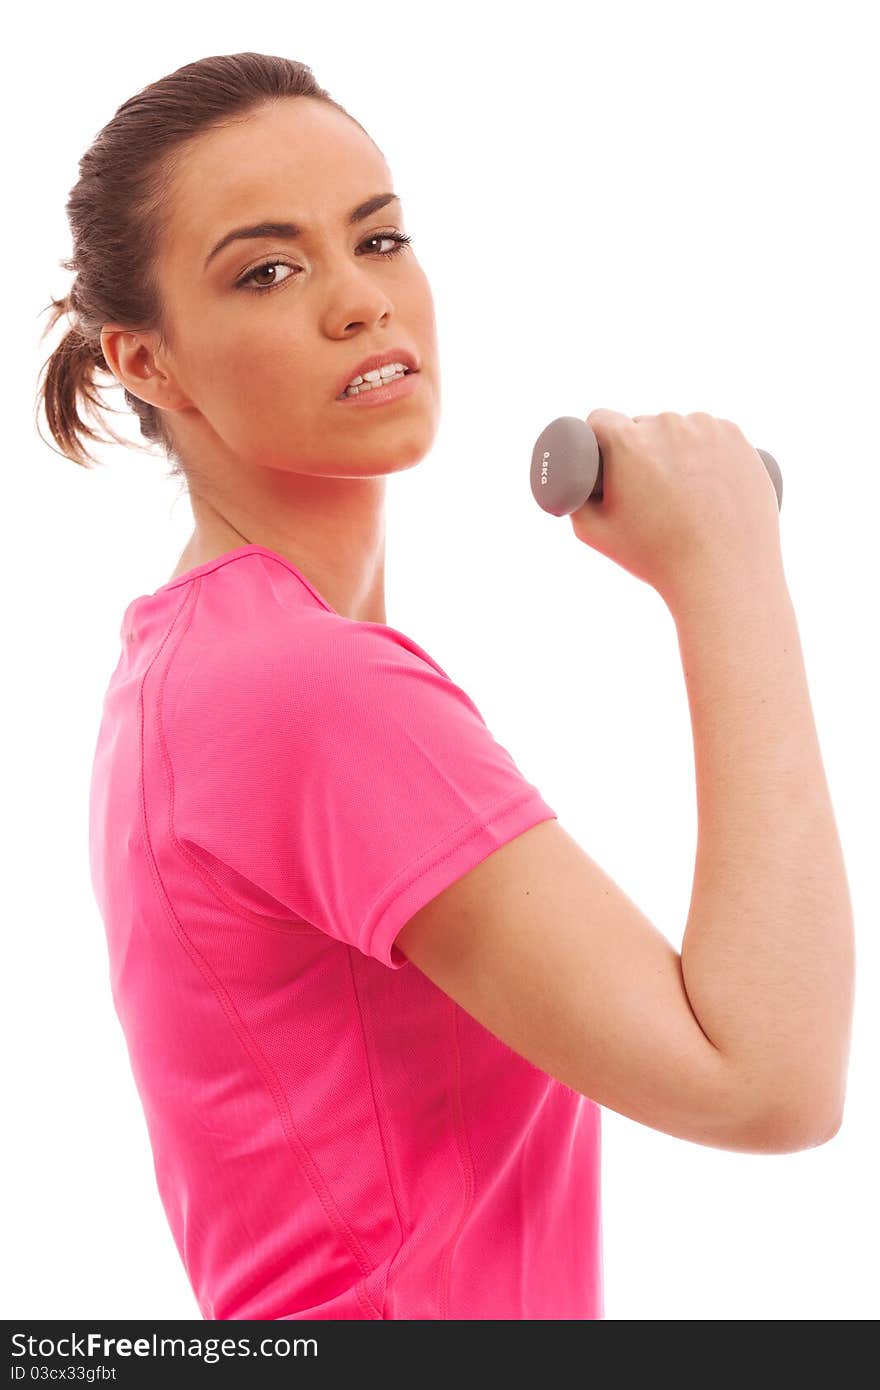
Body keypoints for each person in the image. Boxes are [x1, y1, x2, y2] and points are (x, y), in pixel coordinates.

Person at [36, 52, 854, 1322]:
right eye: (268, 269)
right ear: (149, 363)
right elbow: (765, 1084)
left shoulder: (200, 672)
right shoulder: (299, 688)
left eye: (380, 237)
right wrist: (728, 574)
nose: (361, 301)